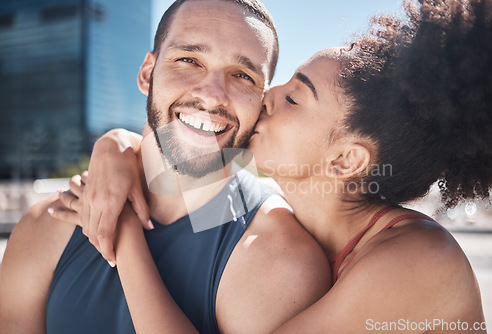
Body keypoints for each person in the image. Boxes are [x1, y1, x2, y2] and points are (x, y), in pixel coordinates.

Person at [53, 0, 492, 332]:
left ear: (345, 159)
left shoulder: (417, 261)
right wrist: (117, 145)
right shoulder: (298, 221)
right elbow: (182, 150)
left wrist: (123, 232)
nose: (262, 97)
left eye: (292, 97)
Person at [0, 0, 332, 333]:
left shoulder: (282, 260)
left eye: (243, 76)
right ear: (147, 74)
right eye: (189, 60)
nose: (213, 96)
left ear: (261, 103)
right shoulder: (45, 227)